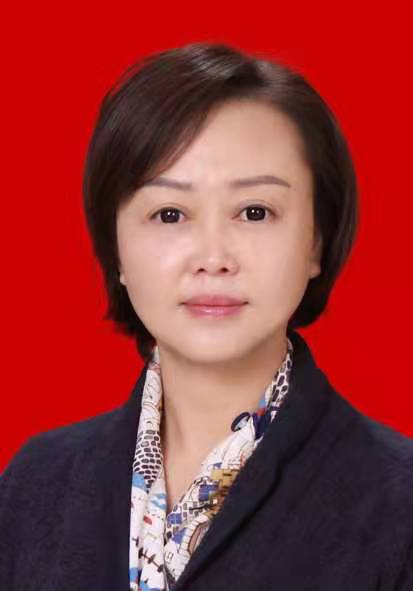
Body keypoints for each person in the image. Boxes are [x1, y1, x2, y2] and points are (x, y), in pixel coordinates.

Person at [0, 41, 412, 591]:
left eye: (255, 211)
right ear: (116, 248)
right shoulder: (35, 483)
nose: (213, 257)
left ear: (316, 240)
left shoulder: (399, 504)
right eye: (169, 214)